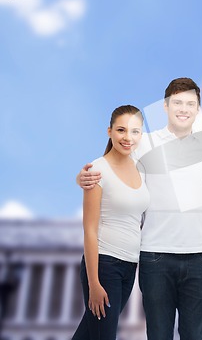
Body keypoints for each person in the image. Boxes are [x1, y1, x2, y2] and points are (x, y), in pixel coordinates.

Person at [77, 78, 202, 340]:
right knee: (158, 334)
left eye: (191, 103)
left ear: (198, 109)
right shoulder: (142, 141)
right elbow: (110, 163)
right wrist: (82, 177)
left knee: (196, 335)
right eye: (177, 103)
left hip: (199, 254)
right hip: (155, 255)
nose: (184, 109)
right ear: (165, 107)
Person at [72, 105, 150, 340]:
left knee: (89, 334)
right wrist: (94, 283)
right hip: (105, 266)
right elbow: (89, 229)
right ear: (109, 131)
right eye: (121, 130)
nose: (128, 137)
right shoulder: (97, 170)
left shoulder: (141, 168)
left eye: (135, 131)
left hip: (129, 265)